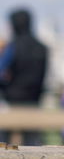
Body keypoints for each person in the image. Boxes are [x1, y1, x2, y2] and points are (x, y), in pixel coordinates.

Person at [0, 8, 48, 145]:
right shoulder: (42, 48)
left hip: (11, 100)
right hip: (34, 100)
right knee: (33, 143)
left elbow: (2, 70)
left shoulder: (13, 47)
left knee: (3, 144)